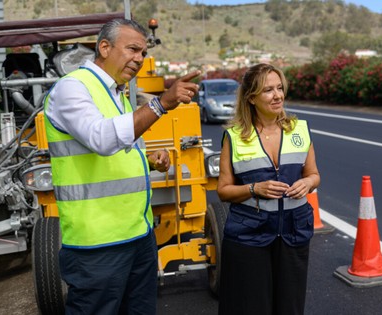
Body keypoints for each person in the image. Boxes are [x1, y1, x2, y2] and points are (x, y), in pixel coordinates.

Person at [43, 18, 200, 314]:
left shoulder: (118, 94)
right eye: (132, 49)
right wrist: (160, 104)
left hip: (138, 235)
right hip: (98, 245)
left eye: (143, 53)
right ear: (104, 47)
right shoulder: (72, 89)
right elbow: (101, 139)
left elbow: (120, 150)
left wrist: (150, 160)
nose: (140, 59)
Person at [217, 63, 320, 315]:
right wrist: (254, 188)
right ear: (251, 98)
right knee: (252, 308)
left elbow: (314, 175)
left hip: (293, 233)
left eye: (279, 88)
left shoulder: (300, 130)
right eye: (268, 90)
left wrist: (306, 184)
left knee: (290, 308)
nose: (277, 95)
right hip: (249, 237)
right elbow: (224, 190)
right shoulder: (234, 137)